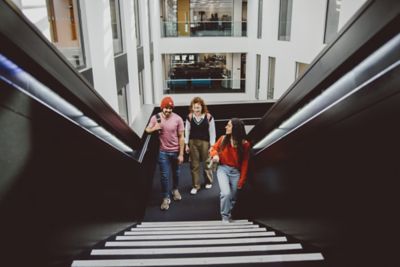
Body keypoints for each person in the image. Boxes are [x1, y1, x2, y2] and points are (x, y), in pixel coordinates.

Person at [146, 96, 185, 211]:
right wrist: (154, 128)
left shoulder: (178, 119)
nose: (168, 110)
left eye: (170, 108)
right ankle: (165, 197)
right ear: (162, 107)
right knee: (164, 176)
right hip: (163, 152)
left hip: (176, 151)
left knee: (176, 173)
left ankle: (175, 189)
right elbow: (147, 130)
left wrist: (181, 154)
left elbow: (181, 137)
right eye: (166, 108)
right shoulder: (155, 118)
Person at [209, 118, 250, 222]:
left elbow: (245, 163)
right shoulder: (223, 139)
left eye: (229, 125)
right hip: (223, 169)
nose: (226, 127)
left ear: (235, 129)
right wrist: (215, 155)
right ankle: (225, 217)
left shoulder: (245, 144)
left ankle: (229, 212)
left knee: (233, 196)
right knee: (226, 193)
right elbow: (213, 148)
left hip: (236, 172)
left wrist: (242, 179)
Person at [184, 97, 216, 195]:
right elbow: (187, 131)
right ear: (192, 108)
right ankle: (196, 186)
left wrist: (212, 145)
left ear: (202, 107)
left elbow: (212, 132)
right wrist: (186, 145)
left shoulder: (208, 117)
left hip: (205, 142)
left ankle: (208, 181)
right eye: (195, 108)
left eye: (198, 107)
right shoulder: (189, 117)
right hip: (193, 143)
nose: (197, 110)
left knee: (207, 163)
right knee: (194, 165)